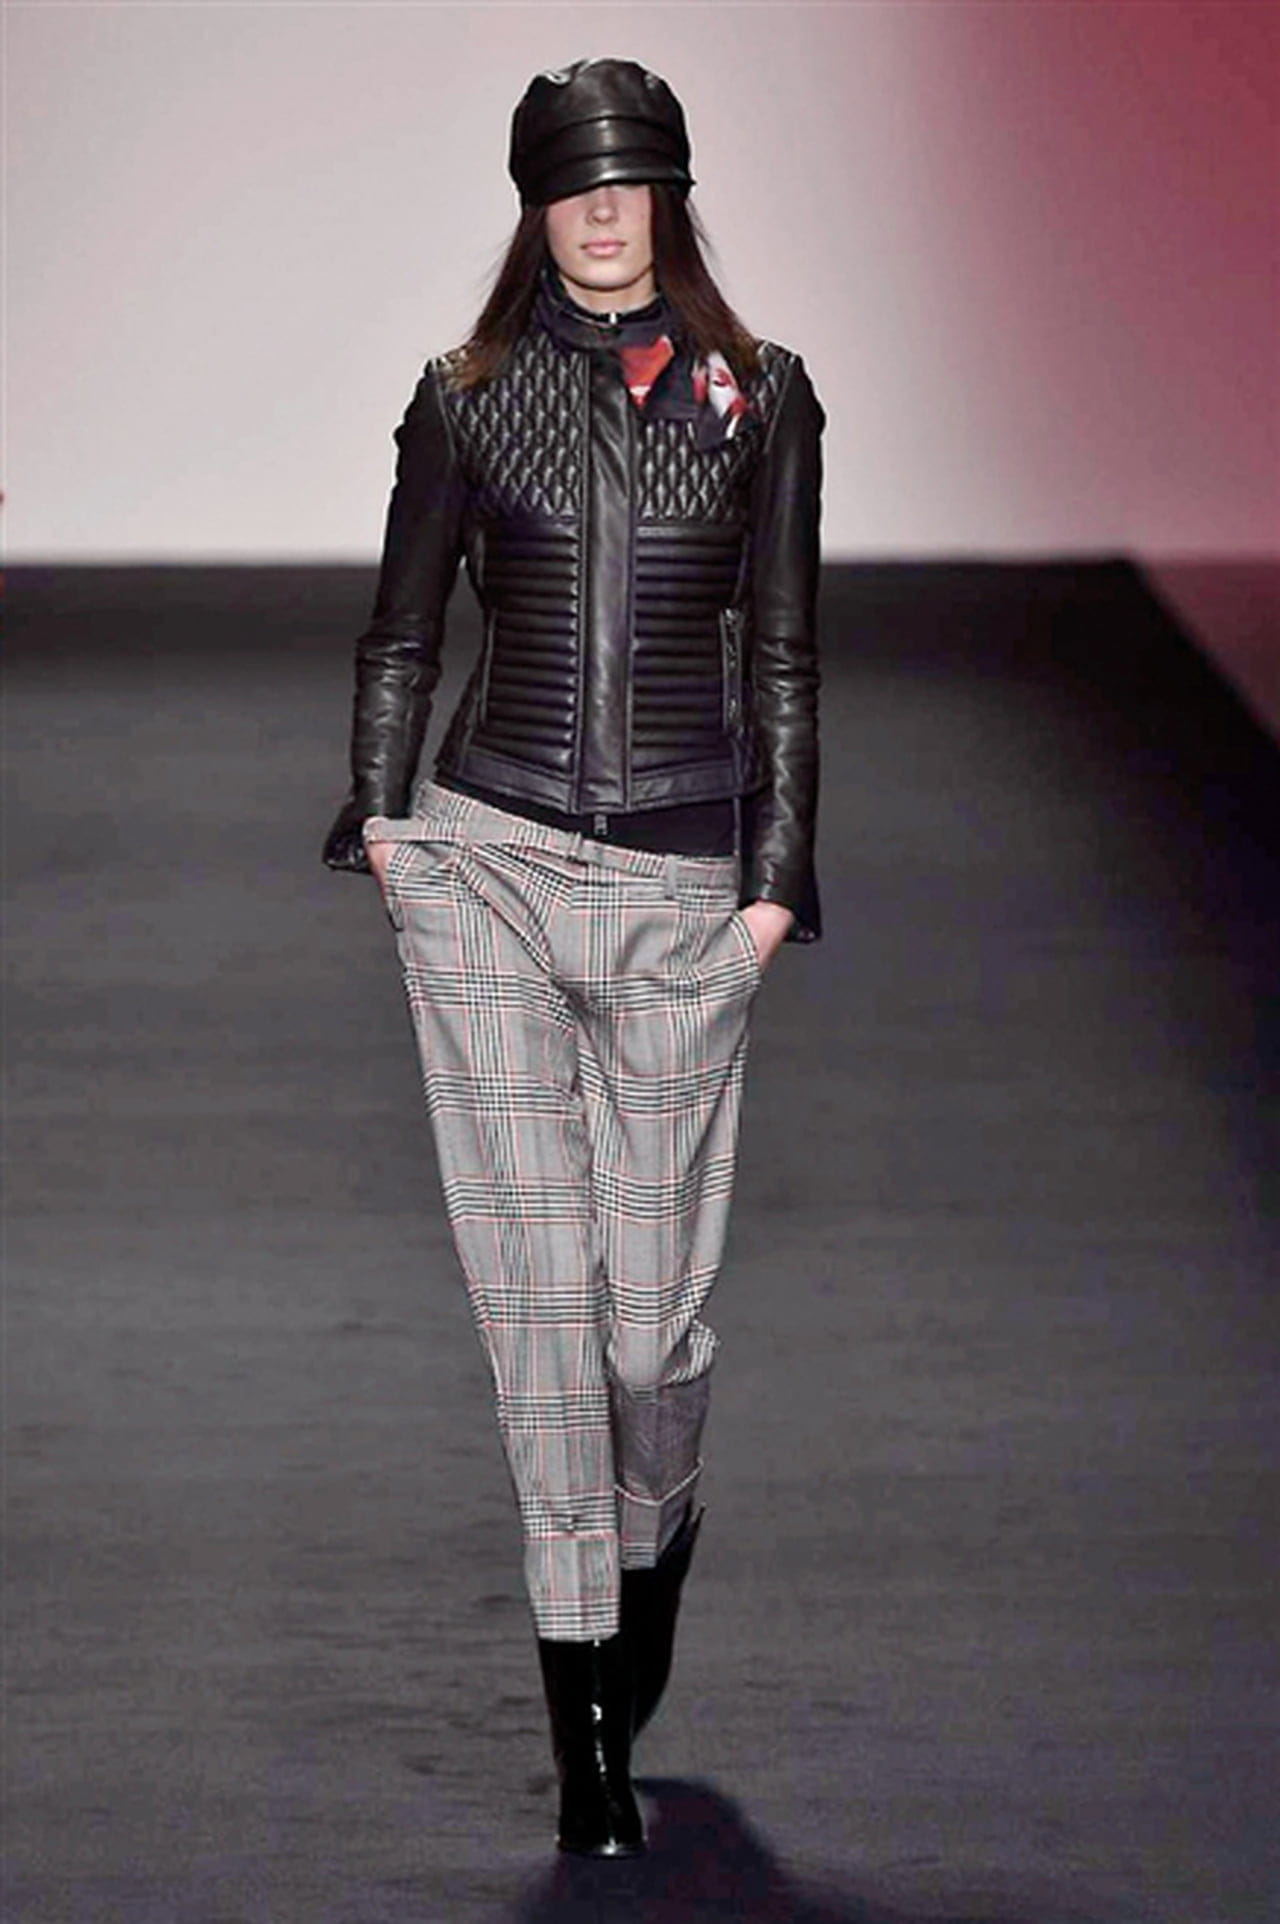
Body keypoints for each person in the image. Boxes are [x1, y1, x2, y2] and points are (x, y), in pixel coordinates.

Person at [322, 56, 824, 1857]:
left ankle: (652, 1539)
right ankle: (586, 1733)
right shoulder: (465, 395)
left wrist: (776, 887)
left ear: (669, 199)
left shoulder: (763, 396)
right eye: (572, 186)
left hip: (689, 888)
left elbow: (785, 648)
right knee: (541, 1313)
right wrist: (388, 826)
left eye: (631, 183)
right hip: (490, 868)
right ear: (535, 206)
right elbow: (400, 628)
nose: (604, 213)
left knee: (644, 1323)